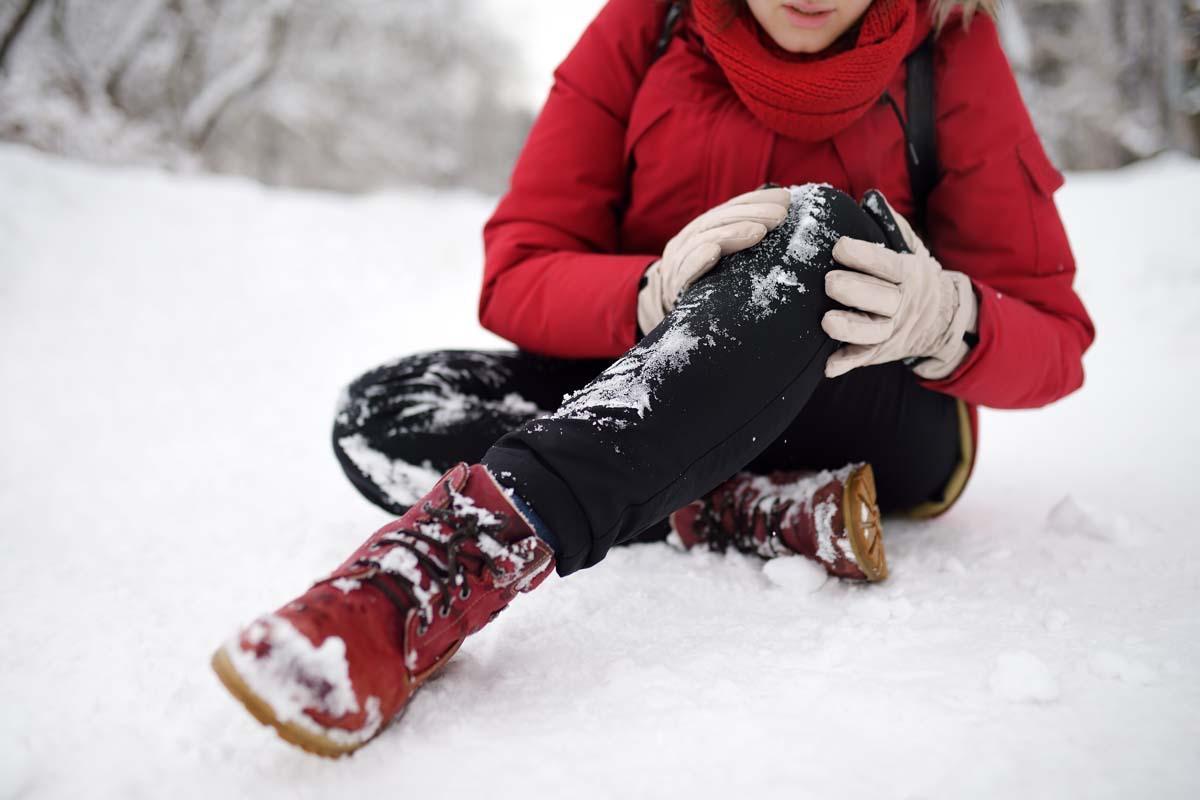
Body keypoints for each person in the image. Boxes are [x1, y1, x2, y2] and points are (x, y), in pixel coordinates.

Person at [212, 0, 1094, 757]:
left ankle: (440, 569)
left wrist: (949, 316)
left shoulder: (950, 43)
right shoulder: (649, 25)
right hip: (659, 386)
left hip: (874, 408)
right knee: (386, 411)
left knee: (814, 227)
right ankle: (728, 507)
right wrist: (649, 292)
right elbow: (516, 267)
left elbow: (1057, 337)